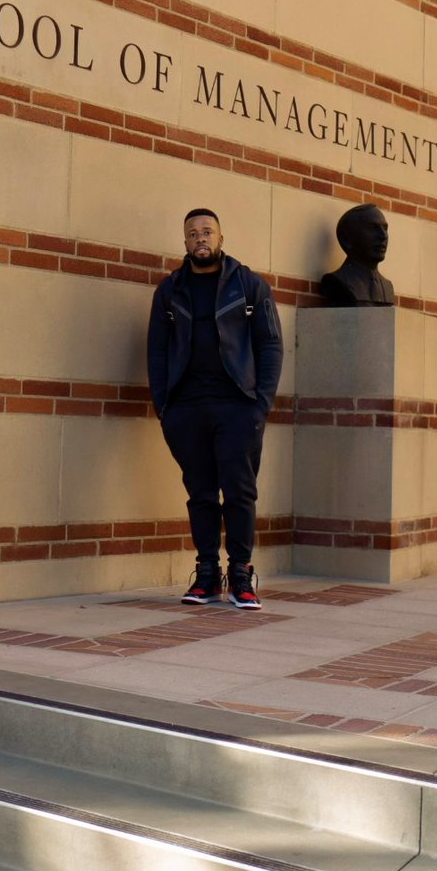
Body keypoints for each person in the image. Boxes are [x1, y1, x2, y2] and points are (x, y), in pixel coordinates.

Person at [147, 209, 283, 609]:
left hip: (238, 405)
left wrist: (261, 405)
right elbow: (156, 350)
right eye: (192, 234)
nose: (200, 238)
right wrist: (164, 406)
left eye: (207, 232)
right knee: (201, 493)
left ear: (221, 238)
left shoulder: (249, 286)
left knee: (240, 492)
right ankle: (207, 573)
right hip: (186, 407)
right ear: (185, 242)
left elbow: (271, 346)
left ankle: (241, 573)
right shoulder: (170, 291)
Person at [319, 203, 395, 307]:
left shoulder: (387, 287)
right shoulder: (337, 282)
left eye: (385, 228)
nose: (383, 236)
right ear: (346, 239)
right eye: (372, 228)